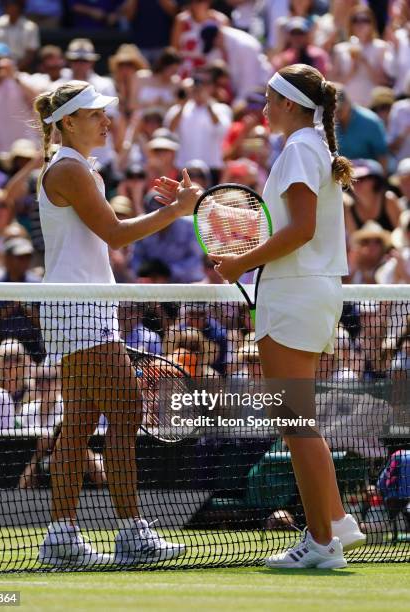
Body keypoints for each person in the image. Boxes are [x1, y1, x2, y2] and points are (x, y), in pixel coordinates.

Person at [156, 64, 367, 568]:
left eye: (270, 99)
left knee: (295, 421)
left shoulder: (298, 149)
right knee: (296, 419)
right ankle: (335, 520)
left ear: (292, 104)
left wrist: (240, 263)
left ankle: (322, 543)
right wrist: (198, 207)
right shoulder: (310, 148)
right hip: (304, 293)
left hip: (294, 293)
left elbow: (297, 230)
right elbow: (267, 222)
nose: (264, 108)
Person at [33, 81, 200, 566]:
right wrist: (176, 212)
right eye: (93, 114)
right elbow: (116, 234)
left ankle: (61, 537)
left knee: (79, 426)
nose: (106, 121)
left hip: (82, 306)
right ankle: (131, 533)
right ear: (67, 122)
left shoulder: (79, 168)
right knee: (126, 413)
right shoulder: (68, 169)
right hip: (78, 307)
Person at [0, 0, 40, 72]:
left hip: (22, 69)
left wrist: (15, 70)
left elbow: (31, 53)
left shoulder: (31, 27)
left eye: (14, 5)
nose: (11, 8)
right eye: (8, 5)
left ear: (20, 7)